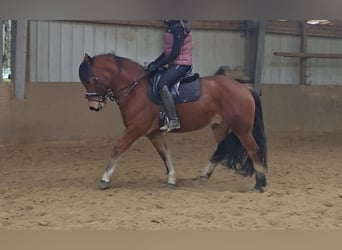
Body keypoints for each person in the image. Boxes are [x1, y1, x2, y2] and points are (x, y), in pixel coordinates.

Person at [146, 20, 193, 132]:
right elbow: (167, 53)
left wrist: (158, 64)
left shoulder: (178, 29)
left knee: (162, 85)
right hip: (174, 63)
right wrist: (154, 63)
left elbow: (175, 53)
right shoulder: (171, 28)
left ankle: (174, 120)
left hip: (182, 64)